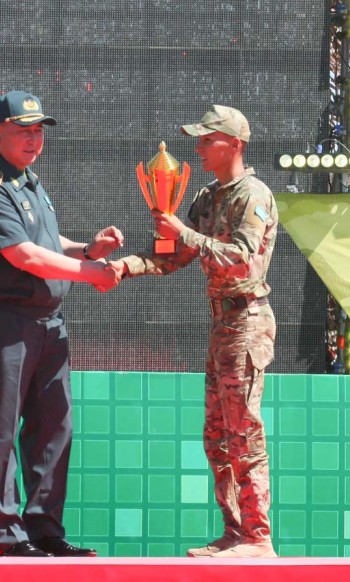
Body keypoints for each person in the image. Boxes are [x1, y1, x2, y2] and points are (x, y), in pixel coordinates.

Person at [109, 105, 278, 558]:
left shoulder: (253, 194)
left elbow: (241, 258)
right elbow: (174, 256)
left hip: (246, 321)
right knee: (217, 436)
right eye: (198, 140)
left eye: (207, 139)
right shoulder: (208, 195)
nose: (198, 147)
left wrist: (185, 232)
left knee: (244, 433)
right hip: (223, 323)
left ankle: (258, 538)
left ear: (234, 144)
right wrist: (125, 267)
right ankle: (235, 532)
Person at [0, 90, 122, 557]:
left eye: (38, 131)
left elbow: (46, 242)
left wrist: (87, 249)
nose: (33, 139)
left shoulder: (28, 181)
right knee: (1, 430)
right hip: (4, 320)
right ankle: (9, 538)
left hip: (49, 322)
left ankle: (45, 530)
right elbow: (24, 255)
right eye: (22, 131)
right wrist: (91, 273)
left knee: (55, 427)